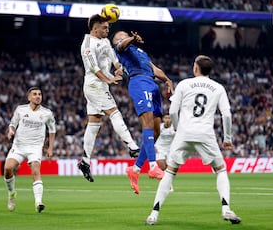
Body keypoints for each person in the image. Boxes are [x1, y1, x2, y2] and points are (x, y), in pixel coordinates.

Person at [145, 55, 241, 225]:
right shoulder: (218, 88)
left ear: (195, 69)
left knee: (170, 172)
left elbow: (173, 112)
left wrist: (177, 129)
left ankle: (154, 214)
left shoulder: (184, 84)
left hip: (184, 133)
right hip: (205, 134)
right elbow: (226, 114)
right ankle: (226, 208)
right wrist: (227, 138)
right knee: (220, 169)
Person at [79, 14, 140, 182]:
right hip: (94, 85)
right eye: (105, 27)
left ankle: (85, 160)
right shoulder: (87, 44)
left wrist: (118, 69)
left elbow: (114, 60)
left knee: (94, 124)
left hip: (100, 86)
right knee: (115, 113)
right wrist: (109, 79)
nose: (108, 30)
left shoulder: (105, 42)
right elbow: (93, 67)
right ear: (95, 28)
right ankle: (132, 147)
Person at [112, 31, 174, 194]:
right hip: (139, 81)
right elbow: (122, 44)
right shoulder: (119, 48)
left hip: (152, 84)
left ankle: (136, 169)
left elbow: (154, 68)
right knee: (146, 121)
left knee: (156, 131)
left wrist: (167, 80)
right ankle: (153, 166)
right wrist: (131, 38)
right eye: (122, 35)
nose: (124, 37)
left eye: (126, 35)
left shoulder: (140, 52)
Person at [4, 86, 56, 213]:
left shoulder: (47, 113)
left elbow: (52, 130)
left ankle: (38, 202)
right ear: (29, 97)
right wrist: (11, 131)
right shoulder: (20, 110)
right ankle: (11, 194)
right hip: (19, 146)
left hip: (35, 147)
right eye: (34, 94)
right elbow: (12, 124)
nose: (38, 96)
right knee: (8, 169)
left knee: (35, 171)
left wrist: (50, 148)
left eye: (39, 94)